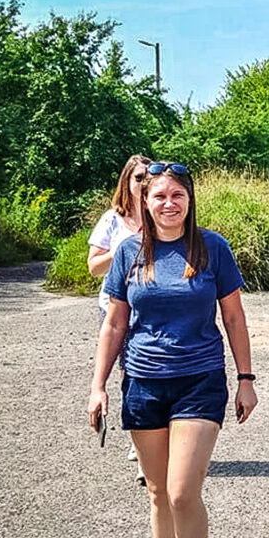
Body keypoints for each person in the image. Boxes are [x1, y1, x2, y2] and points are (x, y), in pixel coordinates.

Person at [87, 161, 258, 538]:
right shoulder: (129, 252)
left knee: (183, 491)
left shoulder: (211, 248)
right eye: (159, 196)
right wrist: (97, 387)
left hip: (199, 380)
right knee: (159, 493)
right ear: (144, 201)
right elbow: (114, 325)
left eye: (177, 195)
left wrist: (245, 378)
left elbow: (234, 317)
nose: (169, 204)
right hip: (143, 383)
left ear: (190, 200)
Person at [88, 154, 151, 485]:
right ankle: (141, 443)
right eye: (137, 177)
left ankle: (144, 451)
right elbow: (93, 266)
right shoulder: (113, 220)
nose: (143, 183)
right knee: (126, 373)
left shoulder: (161, 215)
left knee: (141, 373)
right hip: (114, 306)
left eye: (148, 177)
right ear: (126, 181)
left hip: (150, 307)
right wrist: (124, 248)